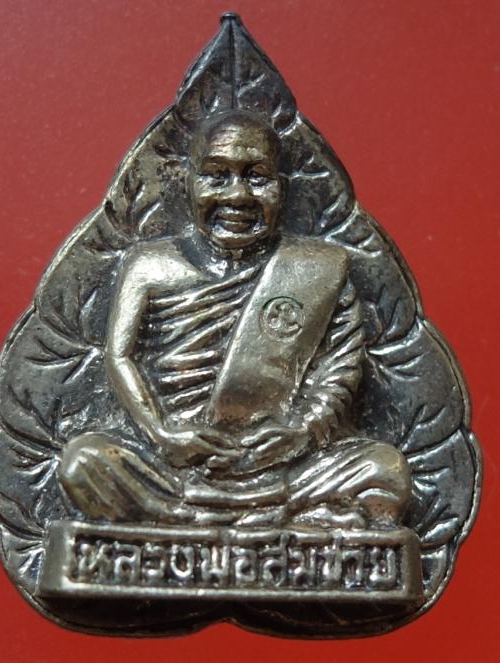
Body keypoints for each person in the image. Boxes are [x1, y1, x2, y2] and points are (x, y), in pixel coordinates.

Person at [58, 110, 411, 528]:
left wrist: (302, 434)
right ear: (188, 183)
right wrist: (162, 434)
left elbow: (340, 370)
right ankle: (223, 516)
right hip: (175, 464)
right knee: (84, 463)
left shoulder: (319, 270)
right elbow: (119, 356)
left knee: (385, 469)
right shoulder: (149, 266)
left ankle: (192, 522)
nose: (237, 196)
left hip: (282, 465)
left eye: (257, 177)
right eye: (216, 176)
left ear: (282, 189)